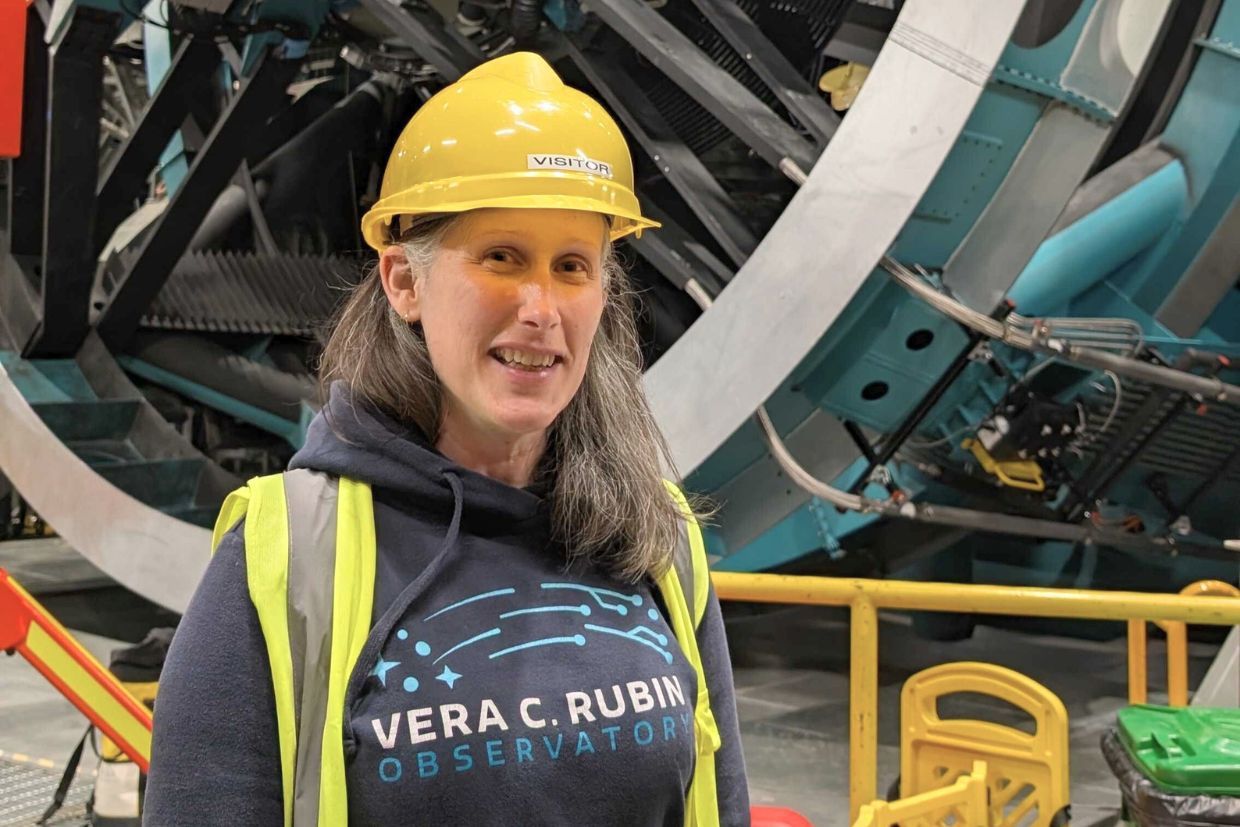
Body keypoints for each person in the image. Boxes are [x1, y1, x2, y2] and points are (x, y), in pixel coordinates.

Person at [144, 52, 749, 826]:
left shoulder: (655, 537)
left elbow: (719, 805)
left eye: (572, 265)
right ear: (403, 282)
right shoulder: (288, 554)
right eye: (501, 257)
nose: (541, 306)